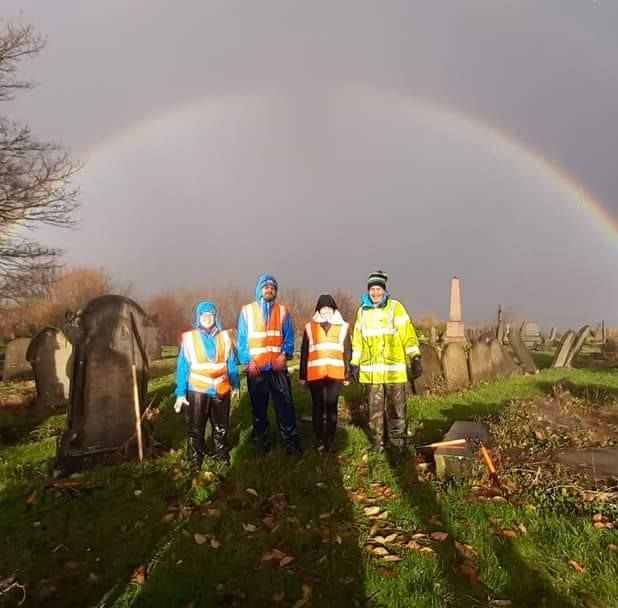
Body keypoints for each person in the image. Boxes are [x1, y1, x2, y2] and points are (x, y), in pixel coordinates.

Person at [349, 271, 422, 461]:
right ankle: (377, 444)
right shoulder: (362, 311)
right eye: (372, 289)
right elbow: (357, 341)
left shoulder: (395, 308)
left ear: (384, 290)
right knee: (374, 411)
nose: (375, 293)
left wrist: (414, 356)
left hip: (393, 372)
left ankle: (397, 447)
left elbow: (408, 334)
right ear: (368, 291)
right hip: (372, 374)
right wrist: (354, 364)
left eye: (378, 289)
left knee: (397, 410)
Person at [237, 274, 302, 455]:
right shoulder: (247, 311)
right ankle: (261, 441)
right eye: (266, 287)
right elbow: (242, 341)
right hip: (256, 369)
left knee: (285, 406)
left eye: (273, 288)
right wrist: (247, 361)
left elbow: (289, 337)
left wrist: (285, 355)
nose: (269, 290)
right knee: (259, 409)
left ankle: (291, 442)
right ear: (259, 289)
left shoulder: (283, 311)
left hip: (277, 368)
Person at [174, 301, 239, 470]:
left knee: (221, 426)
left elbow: (230, 363)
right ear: (198, 318)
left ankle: (221, 454)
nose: (208, 318)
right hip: (197, 390)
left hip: (221, 389)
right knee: (196, 426)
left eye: (211, 315)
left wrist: (236, 385)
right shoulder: (189, 338)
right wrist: (180, 393)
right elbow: (182, 367)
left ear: (215, 317)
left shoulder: (225, 337)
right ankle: (195, 458)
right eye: (204, 315)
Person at [299, 294, 350, 453]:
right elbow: (304, 351)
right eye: (323, 308)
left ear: (334, 309)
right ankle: (319, 438)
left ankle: (331, 439)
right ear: (318, 310)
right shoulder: (309, 327)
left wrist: (348, 374)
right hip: (316, 375)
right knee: (318, 407)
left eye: (329, 308)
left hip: (336, 374)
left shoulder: (343, 326)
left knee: (332, 407)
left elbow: (348, 351)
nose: (326, 311)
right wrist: (302, 375)